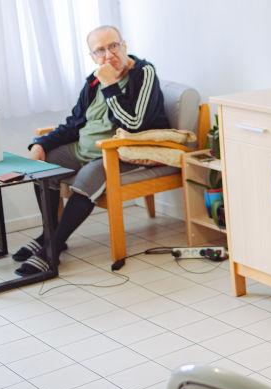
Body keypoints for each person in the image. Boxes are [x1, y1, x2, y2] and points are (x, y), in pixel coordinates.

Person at [12, 26, 169, 276]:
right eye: (100, 50)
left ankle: (51, 249)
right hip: (84, 147)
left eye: (113, 46)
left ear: (124, 45)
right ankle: (50, 234)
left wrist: (110, 85)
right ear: (92, 56)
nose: (108, 55)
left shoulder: (143, 73)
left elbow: (135, 123)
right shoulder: (93, 80)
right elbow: (75, 122)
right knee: (43, 166)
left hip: (121, 151)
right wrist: (41, 144)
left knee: (88, 178)